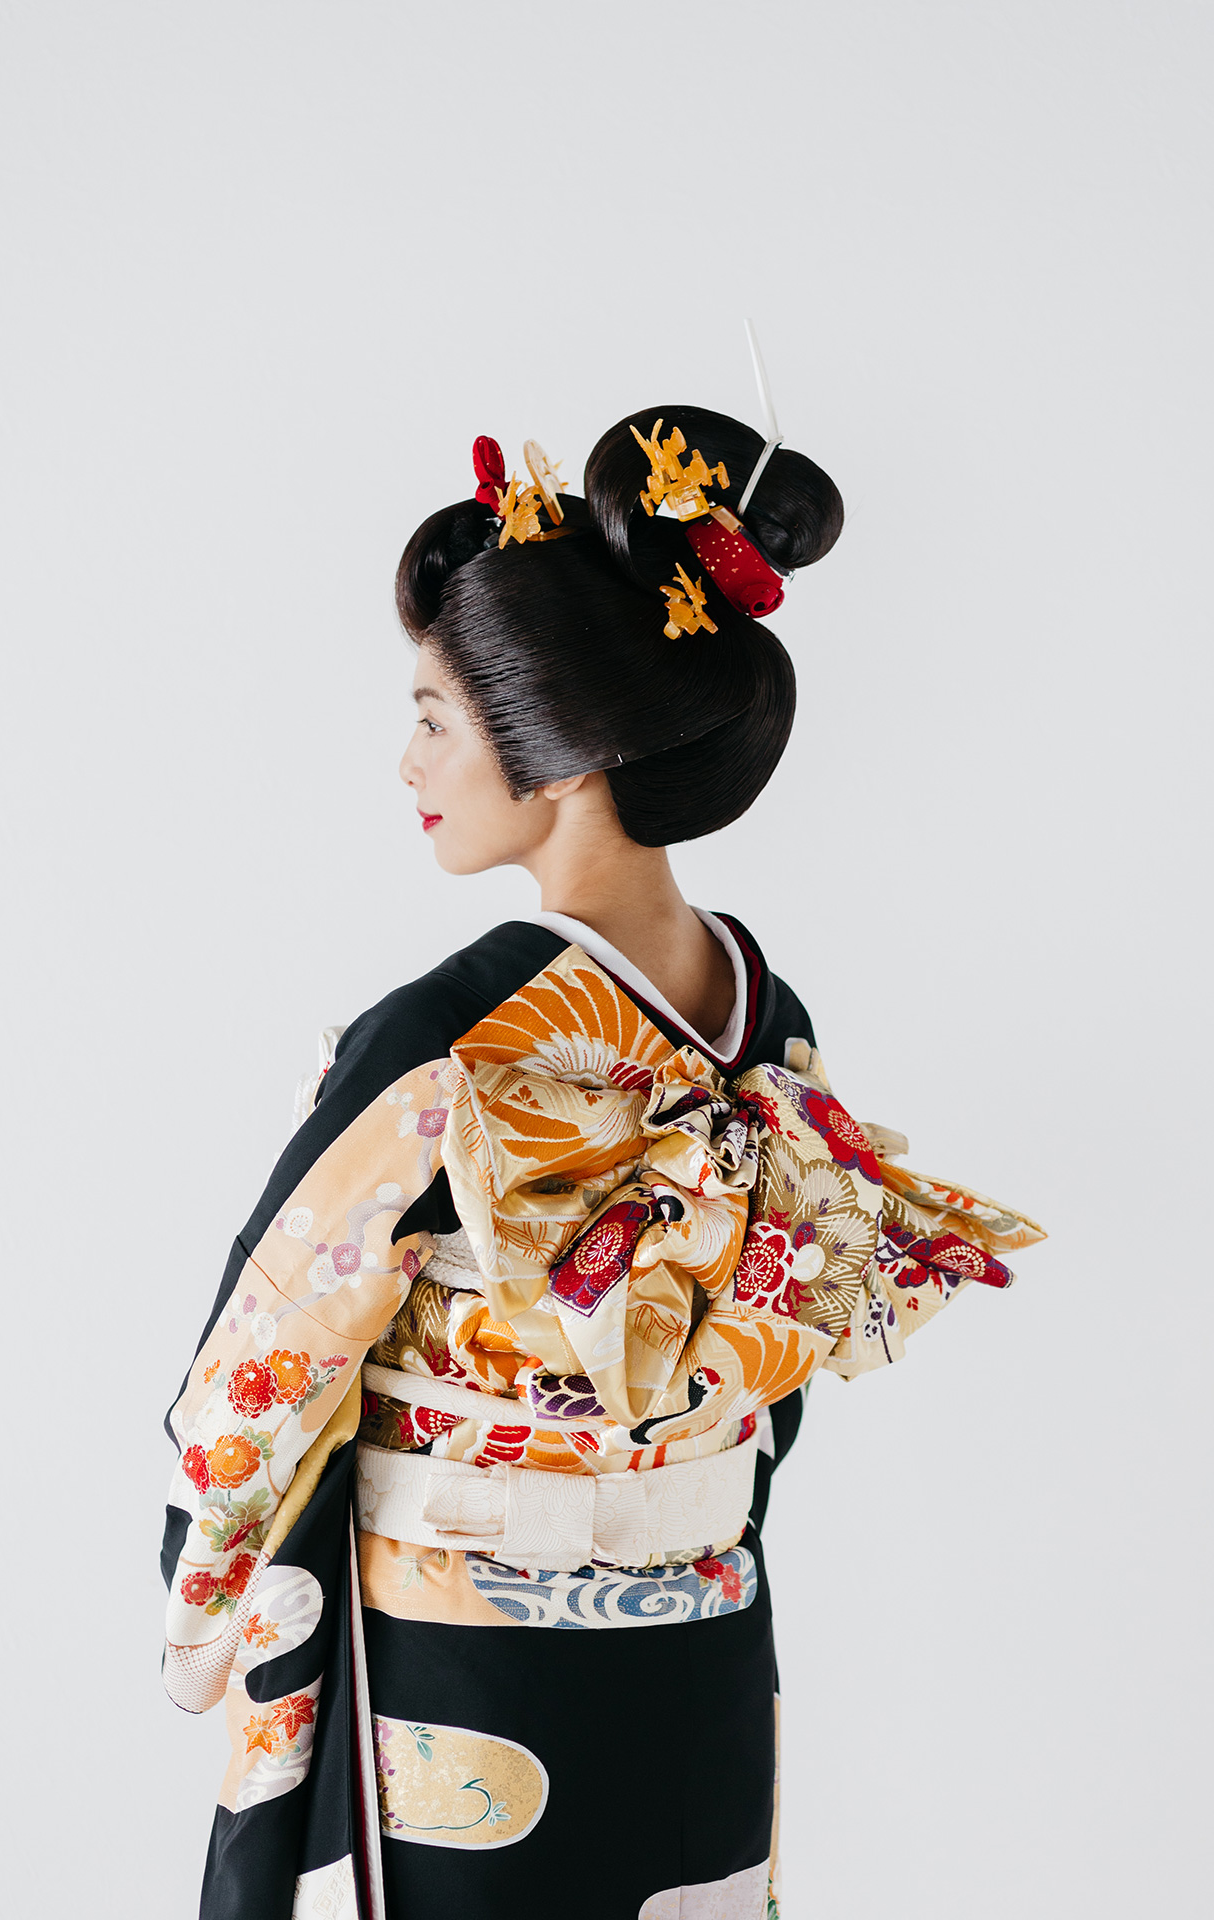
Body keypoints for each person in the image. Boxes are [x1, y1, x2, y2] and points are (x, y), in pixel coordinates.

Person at [160, 406, 1043, 1920]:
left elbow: (259, 1377)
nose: (407, 760)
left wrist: (206, 1604)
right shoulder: (767, 1014)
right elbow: (774, 1357)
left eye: (436, 718)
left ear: (562, 753)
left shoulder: (452, 1039)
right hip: (707, 1630)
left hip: (468, 1662)